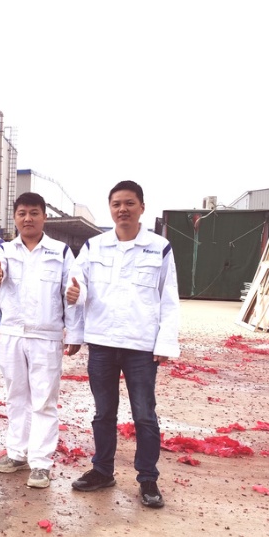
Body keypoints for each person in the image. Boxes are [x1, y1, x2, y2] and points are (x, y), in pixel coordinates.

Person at [66, 180, 180, 508]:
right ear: (110, 208)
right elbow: (78, 284)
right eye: (116, 204)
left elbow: (169, 297)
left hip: (141, 345)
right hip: (102, 342)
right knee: (103, 412)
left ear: (142, 207)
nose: (122, 209)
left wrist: (165, 343)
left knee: (144, 414)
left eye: (129, 203)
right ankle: (102, 471)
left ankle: (148, 479)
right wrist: (75, 298)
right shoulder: (95, 246)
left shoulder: (159, 247)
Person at [0, 192, 82, 488]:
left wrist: (74, 330)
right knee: (16, 397)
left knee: (43, 401)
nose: (27, 218)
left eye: (34, 213)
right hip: (12, 334)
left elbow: (73, 291)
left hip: (46, 336)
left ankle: (41, 463)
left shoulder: (60, 252)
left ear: (44, 217)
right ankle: (17, 454)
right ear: (15, 217)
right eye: (22, 213)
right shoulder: (4, 250)